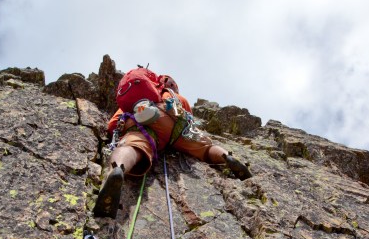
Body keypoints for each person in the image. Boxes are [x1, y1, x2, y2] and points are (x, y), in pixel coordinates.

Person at [93, 71, 251, 218]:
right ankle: (227, 157)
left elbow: (112, 125)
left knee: (133, 146)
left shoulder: (133, 102)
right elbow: (188, 119)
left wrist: (127, 127)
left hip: (139, 119)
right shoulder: (174, 96)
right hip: (172, 119)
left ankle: (118, 169)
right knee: (205, 148)